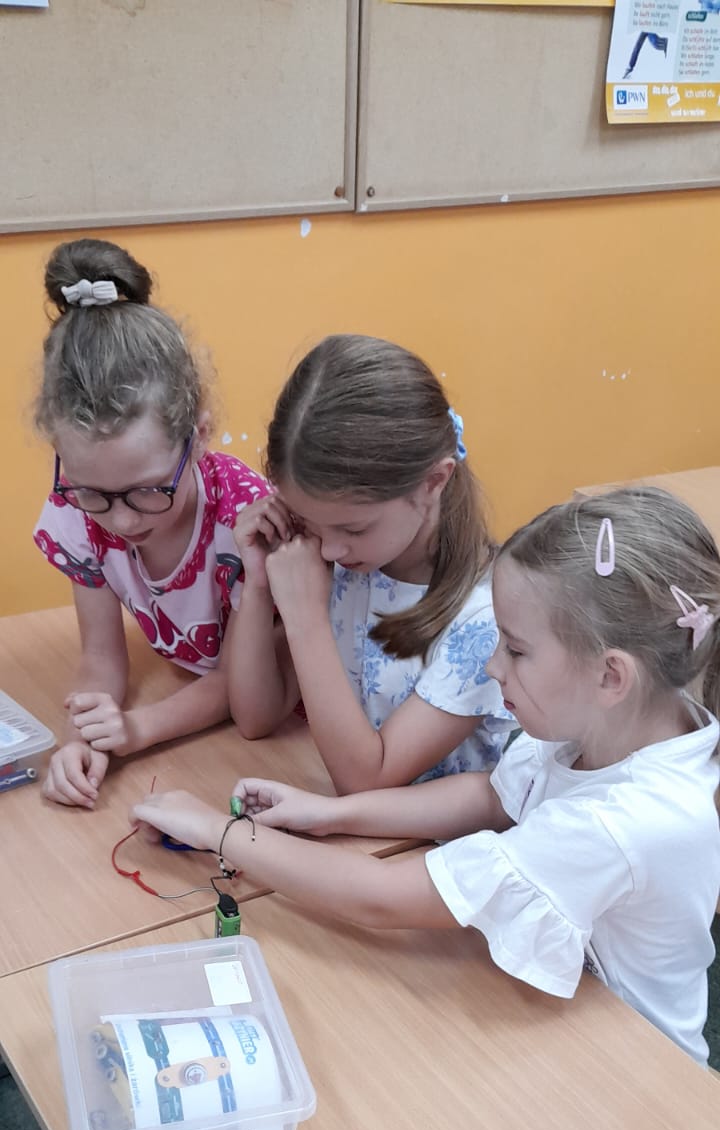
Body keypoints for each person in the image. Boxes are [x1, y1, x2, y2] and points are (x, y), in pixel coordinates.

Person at [134, 487, 720, 1068]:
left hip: (634, 1065)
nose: (494, 666)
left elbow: (382, 899)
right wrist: (331, 813)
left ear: (611, 676)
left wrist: (217, 831)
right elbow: (492, 796)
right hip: (564, 1016)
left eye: (516, 650)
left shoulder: (619, 823)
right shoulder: (619, 722)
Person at [33, 237, 268, 811]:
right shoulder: (76, 510)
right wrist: (84, 738)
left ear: (200, 435)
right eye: (94, 492)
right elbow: (100, 658)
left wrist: (136, 730)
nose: (120, 519)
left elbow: (241, 685)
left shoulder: (245, 522)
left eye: (147, 491)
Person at [227, 335, 514, 792]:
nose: (328, 550)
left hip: (439, 834)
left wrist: (305, 618)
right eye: (309, 522)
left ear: (434, 481)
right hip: (356, 825)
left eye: (354, 529)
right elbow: (254, 718)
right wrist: (259, 584)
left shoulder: (485, 619)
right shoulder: (352, 561)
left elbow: (365, 782)